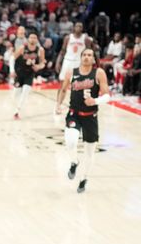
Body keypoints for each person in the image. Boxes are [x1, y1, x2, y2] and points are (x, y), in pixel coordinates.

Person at [55, 48, 110, 194]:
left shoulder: (99, 73)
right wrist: (58, 105)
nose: (86, 57)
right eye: (84, 55)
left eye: (89, 55)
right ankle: (74, 162)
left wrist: (95, 100)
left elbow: (107, 96)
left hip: (91, 116)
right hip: (74, 113)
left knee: (90, 152)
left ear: (93, 59)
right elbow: (63, 89)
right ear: (80, 57)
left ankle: (84, 178)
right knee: (71, 141)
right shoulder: (71, 72)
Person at [56, 22, 92, 101]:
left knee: (78, 85)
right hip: (67, 61)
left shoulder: (85, 39)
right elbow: (62, 51)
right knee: (62, 83)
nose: (79, 27)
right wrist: (58, 62)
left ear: (82, 28)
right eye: (77, 26)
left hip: (78, 62)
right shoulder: (68, 38)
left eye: (80, 26)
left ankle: (77, 103)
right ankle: (58, 103)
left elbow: (89, 52)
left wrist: (89, 64)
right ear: (74, 27)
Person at [13, 32, 45, 119]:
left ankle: (17, 111)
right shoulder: (22, 48)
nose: (33, 39)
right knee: (16, 93)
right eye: (31, 37)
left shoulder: (40, 50)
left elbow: (43, 63)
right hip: (20, 72)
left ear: (37, 39)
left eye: (34, 37)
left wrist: (38, 66)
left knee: (25, 92)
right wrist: (12, 71)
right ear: (28, 39)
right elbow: (13, 58)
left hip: (29, 74)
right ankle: (15, 107)